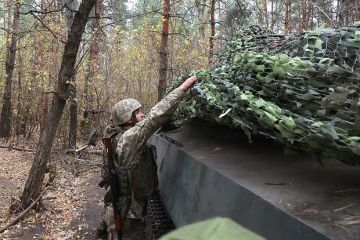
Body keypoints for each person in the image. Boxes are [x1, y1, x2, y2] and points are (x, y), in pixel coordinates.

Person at [98, 76, 198, 239]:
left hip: (121, 203)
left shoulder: (114, 136)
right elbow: (156, 117)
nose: (142, 114)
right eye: (138, 112)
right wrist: (182, 89)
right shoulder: (130, 138)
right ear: (127, 118)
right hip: (130, 212)